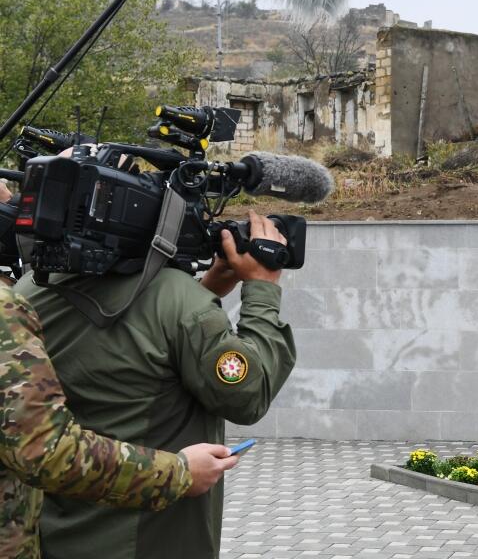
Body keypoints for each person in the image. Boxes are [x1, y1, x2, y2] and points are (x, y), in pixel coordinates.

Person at [13, 211, 296, 559]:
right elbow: (249, 395)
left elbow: (131, 337)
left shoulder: (29, 289)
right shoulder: (176, 299)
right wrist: (263, 288)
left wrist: (204, 289)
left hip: (54, 534)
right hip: (152, 537)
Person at [0, 280, 240, 559]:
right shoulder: (6, 306)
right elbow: (46, 451)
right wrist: (179, 473)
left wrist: (200, 289)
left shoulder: (23, 292)